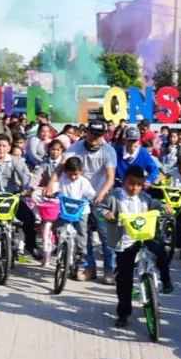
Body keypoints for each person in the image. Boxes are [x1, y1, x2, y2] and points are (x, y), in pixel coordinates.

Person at [96, 165, 173, 328]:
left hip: (144, 236)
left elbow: (156, 204)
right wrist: (106, 214)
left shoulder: (144, 198)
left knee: (161, 252)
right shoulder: (114, 197)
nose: (134, 188)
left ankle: (166, 282)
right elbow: (100, 207)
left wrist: (165, 207)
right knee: (124, 278)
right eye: (131, 183)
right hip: (124, 241)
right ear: (124, 182)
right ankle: (123, 313)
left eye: (138, 184)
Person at [67, 121, 118, 284]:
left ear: (102, 135)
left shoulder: (108, 151)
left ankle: (109, 270)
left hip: (101, 199)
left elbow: (110, 178)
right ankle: (89, 268)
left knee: (106, 236)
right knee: (84, 235)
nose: (93, 137)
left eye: (97, 135)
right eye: (91, 133)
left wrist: (101, 194)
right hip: (81, 199)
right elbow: (63, 163)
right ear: (86, 132)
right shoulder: (77, 147)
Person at [0, 133, 38, 260]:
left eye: (3, 146)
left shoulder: (14, 160)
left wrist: (26, 188)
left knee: (29, 218)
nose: (0, 149)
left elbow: (24, 176)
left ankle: (31, 245)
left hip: (12, 197)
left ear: (8, 148)